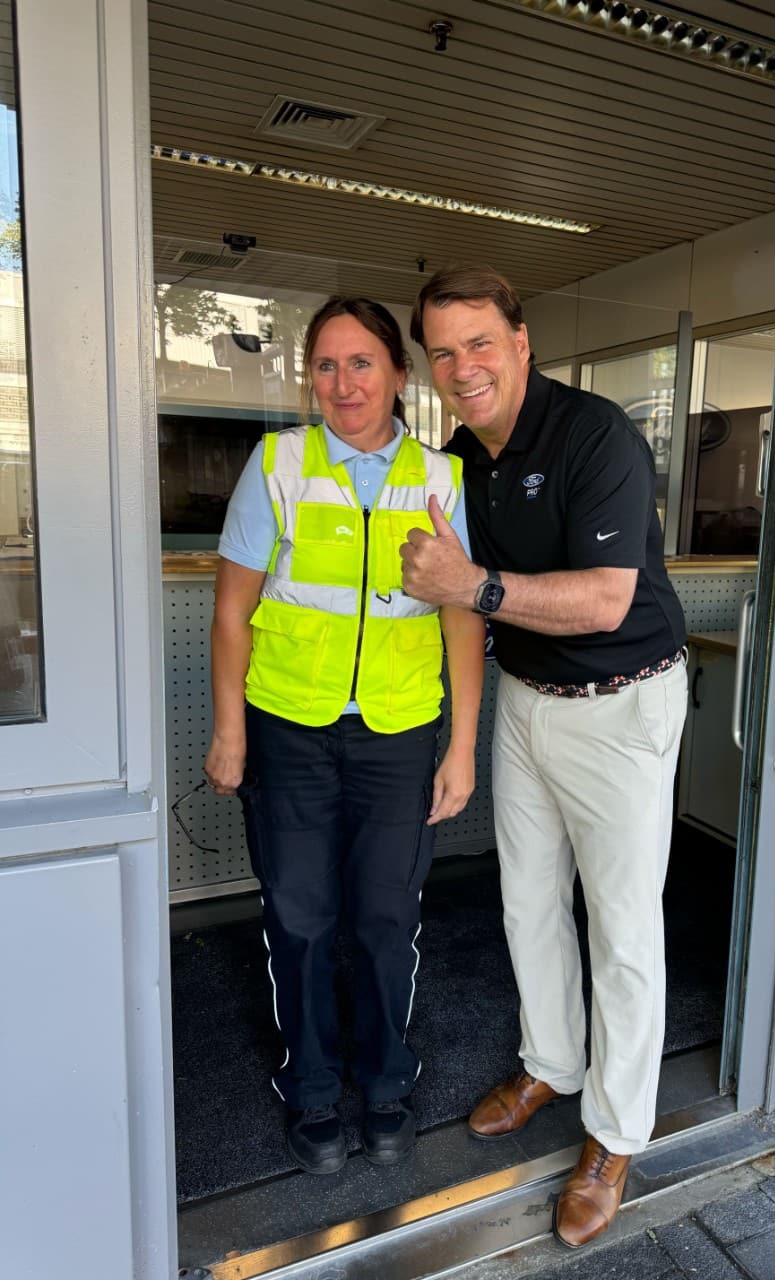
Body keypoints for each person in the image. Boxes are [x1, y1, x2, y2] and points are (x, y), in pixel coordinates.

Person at [401, 267, 688, 1248]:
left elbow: (606, 599)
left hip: (621, 699)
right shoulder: (460, 457)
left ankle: (615, 1131)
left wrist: (470, 584)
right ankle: (552, 1062)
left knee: (621, 923)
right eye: (442, 351)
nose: (461, 366)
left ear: (521, 341)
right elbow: (454, 596)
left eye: (479, 342)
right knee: (526, 899)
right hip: (526, 698)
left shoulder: (596, 434)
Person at [204, 297, 485, 1175]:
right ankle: (314, 1086)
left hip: (398, 737)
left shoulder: (441, 479)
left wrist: (463, 744)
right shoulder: (280, 463)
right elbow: (231, 610)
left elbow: (461, 622)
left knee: (385, 917)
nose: (342, 383)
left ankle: (387, 1083)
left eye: (361, 362)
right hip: (290, 731)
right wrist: (229, 733)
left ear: (400, 375)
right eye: (325, 366)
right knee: (300, 918)